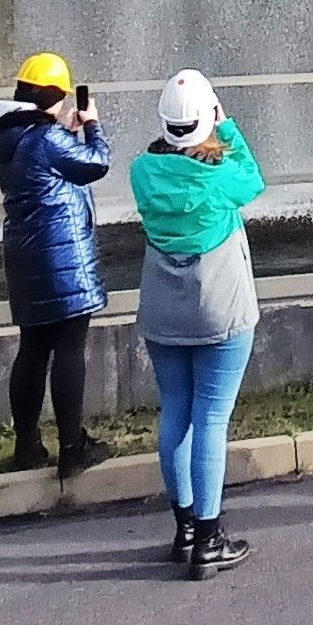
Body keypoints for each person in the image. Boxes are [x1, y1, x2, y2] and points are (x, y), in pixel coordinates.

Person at [130, 68, 265, 581]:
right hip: (221, 308)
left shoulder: (142, 172)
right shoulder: (220, 176)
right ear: (208, 117)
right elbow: (253, 179)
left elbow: (164, 156)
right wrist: (226, 128)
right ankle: (209, 541)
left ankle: (185, 528)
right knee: (211, 419)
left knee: (177, 413)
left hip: (163, 308)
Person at [0, 51, 112, 481]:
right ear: (54, 94)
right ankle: (72, 449)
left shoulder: (10, 137)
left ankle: (27, 446)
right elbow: (96, 164)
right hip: (61, 258)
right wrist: (91, 125)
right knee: (70, 349)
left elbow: (47, 165)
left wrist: (63, 133)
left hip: (25, 257)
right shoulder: (44, 138)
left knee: (33, 349)